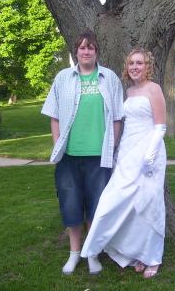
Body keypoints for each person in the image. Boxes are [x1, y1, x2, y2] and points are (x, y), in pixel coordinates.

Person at [41, 30, 124, 275]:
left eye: (90, 48)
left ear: (96, 51)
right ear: (75, 51)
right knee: (71, 205)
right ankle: (74, 253)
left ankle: (92, 254)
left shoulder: (109, 78)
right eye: (82, 48)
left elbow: (118, 117)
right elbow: (54, 116)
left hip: (100, 157)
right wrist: (58, 144)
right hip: (69, 157)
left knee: (97, 207)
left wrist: (113, 145)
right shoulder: (63, 78)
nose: (86, 52)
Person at [81, 47, 167, 279]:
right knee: (116, 201)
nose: (135, 67)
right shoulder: (128, 92)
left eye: (140, 63)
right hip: (128, 152)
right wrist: (118, 152)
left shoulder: (154, 89)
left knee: (148, 203)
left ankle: (152, 258)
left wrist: (150, 154)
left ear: (147, 66)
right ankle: (133, 251)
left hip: (150, 152)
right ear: (127, 67)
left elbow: (160, 125)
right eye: (131, 64)